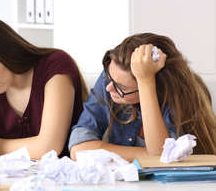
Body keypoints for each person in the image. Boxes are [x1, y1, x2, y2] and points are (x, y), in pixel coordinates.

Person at [0, 15, 88, 159]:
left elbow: (49, 148)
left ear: (7, 51)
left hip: (65, 178)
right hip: (11, 179)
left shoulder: (54, 65)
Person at [68, 33, 216, 161]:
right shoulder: (113, 79)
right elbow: (79, 149)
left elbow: (161, 159)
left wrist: (146, 82)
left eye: (122, 88)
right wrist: (149, 155)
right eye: (108, 78)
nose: (108, 88)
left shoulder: (179, 98)